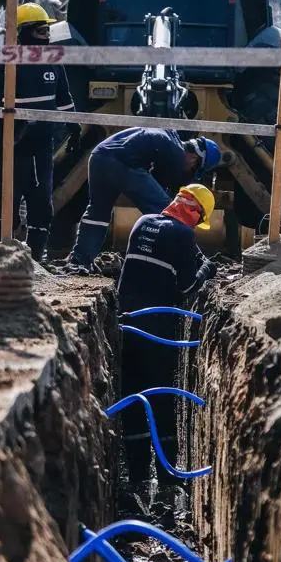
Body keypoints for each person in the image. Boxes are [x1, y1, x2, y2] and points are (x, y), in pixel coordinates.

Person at [115, 184, 218, 505]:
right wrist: (206, 268)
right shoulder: (184, 237)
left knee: (132, 399)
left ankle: (137, 478)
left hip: (127, 325)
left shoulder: (142, 222)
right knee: (162, 400)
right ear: (194, 213)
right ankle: (169, 478)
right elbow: (186, 285)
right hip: (159, 331)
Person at [65, 129, 220, 274]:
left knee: (97, 213)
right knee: (168, 212)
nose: (189, 172)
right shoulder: (177, 153)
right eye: (193, 169)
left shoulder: (169, 137)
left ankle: (79, 261)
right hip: (125, 164)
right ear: (194, 159)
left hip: (99, 156)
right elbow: (168, 202)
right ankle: (196, 261)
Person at [0, 3, 78, 262]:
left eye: (48, 30)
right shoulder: (9, 62)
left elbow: (64, 99)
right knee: (6, 203)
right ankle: (0, 255)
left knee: (42, 205)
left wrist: (74, 128)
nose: (47, 36)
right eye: (41, 31)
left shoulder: (53, 62)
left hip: (42, 148)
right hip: (14, 148)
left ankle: (35, 259)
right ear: (25, 32)